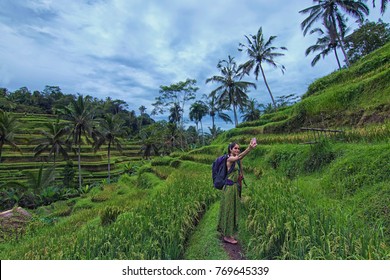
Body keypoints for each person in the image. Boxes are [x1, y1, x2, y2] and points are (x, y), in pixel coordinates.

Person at [218, 138, 257, 244]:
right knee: (229, 210)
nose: (237, 150)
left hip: (235, 188)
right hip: (229, 188)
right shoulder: (230, 159)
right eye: (235, 148)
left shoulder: (237, 160)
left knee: (233, 210)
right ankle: (227, 236)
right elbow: (239, 157)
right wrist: (249, 148)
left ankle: (227, 231)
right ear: (230, 149)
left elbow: (240, 171)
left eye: (238, 148)